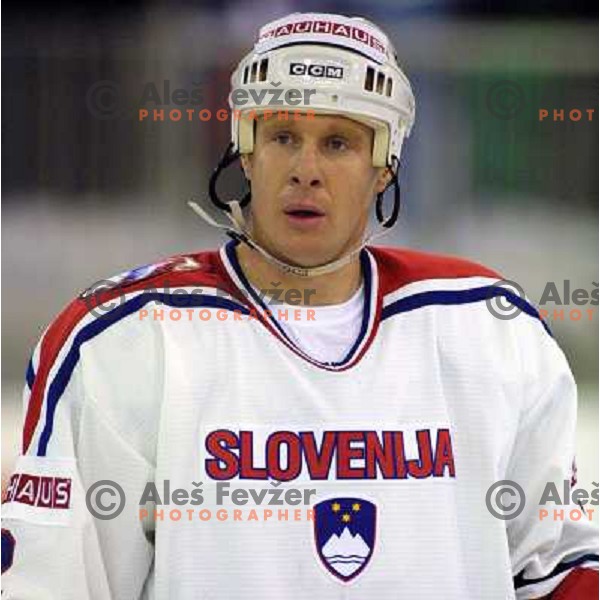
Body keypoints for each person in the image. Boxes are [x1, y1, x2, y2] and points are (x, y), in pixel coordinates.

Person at [2, 11, 598, 600]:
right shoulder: (122, 338)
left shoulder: (489, 328)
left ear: (384, 168)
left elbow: (558, 568)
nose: (305, 171)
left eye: (338, 142)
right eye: (283, 136)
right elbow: (53, 583)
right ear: (245, 151)